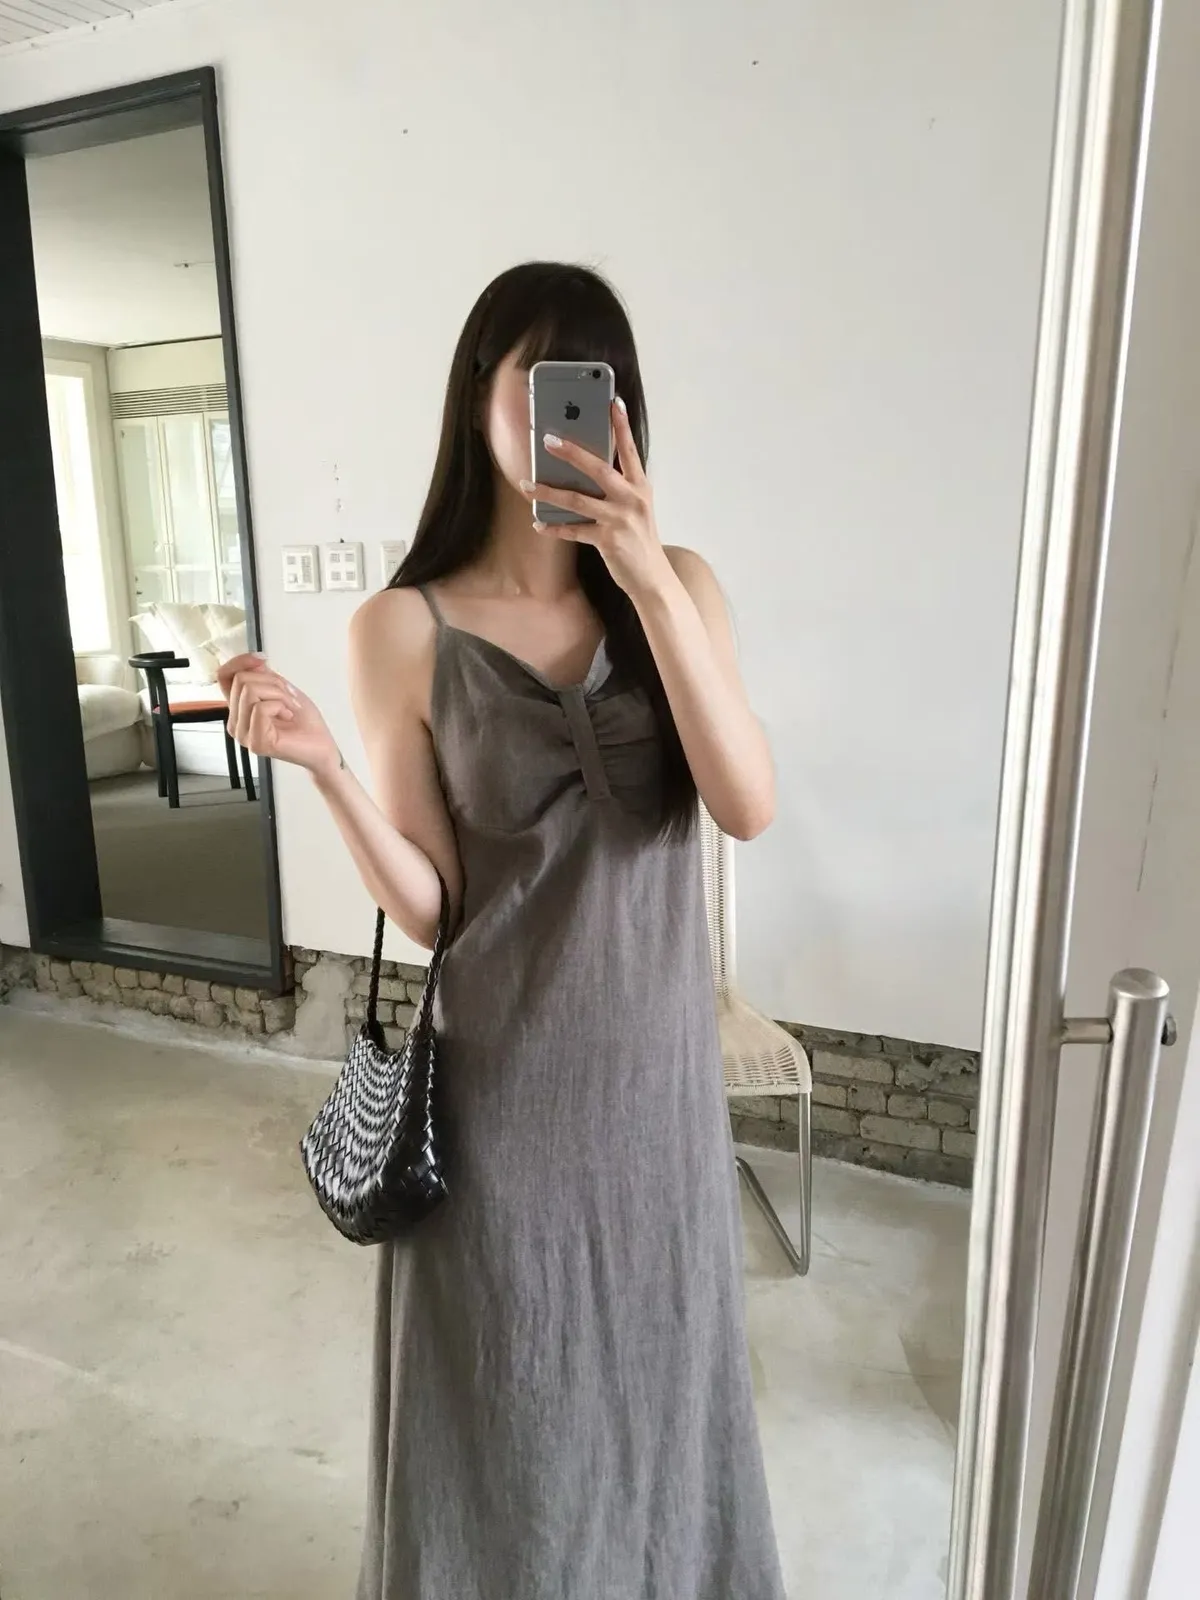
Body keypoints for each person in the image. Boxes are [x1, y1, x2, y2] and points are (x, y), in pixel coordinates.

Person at [220, 262, 786, 1600]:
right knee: (511, 1418)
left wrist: (647, 580)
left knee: (662, 1403)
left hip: (656, 1097)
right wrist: (327, 769)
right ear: (478, 395)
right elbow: (439, 909)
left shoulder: (682, 588)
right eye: (538, 379)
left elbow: (746, 806)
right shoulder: (400, 628)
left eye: (594, 384)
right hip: (500, 1100)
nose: (563, 413)